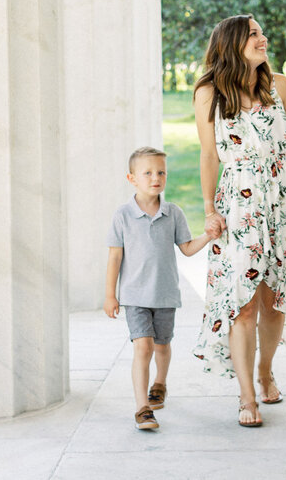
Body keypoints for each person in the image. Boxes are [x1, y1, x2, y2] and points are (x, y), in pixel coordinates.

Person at [191, 14, 286, 428]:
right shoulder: (209, 92)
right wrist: (209, 208)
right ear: (233, 43)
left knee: (275, 298)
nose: (263, 38)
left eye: (261, 32)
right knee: (242, 304)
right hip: (237, 204)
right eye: (254, 34)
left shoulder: (280, 86)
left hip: (282, 198)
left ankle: (265, 371)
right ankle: (245, 396)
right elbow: (208, 155)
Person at [104, 146, 220, 431]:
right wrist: (110, 294)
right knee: (142, 347)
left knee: (162, 346)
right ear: (132, 178)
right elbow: (115, 256)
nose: (155, 177)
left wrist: (208, 235)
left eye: (161, 172)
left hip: (165, 294)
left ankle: (160, 383)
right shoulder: (123, 216)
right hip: (134, 297)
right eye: (148, 173)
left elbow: (188, 249)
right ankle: (142, 407)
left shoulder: (173, 213)